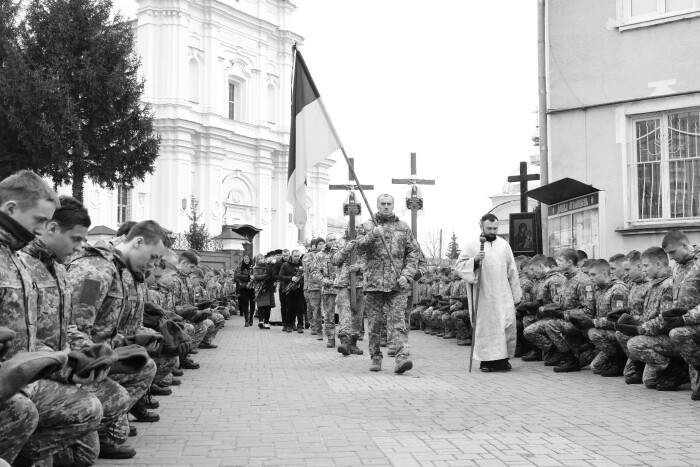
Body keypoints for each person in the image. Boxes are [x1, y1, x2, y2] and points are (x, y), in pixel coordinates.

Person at [0, 171, 102, 466]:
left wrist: (88, 354)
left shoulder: (52, 267)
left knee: (85, 449)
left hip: (40, 369)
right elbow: (84, 318)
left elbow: (66, 326)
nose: (80, 247)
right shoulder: (91, 274)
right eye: (76, 239)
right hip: (23, 377)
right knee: (99, 405)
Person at [68, 221, 165, 428]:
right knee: (97, 446)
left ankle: (105, 423)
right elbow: (75, 327)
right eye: (153, 257)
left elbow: (114, 326)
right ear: (138, 242)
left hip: (104, 356)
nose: (153, 266)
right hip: (84, 364)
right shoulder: (95, 270)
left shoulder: (124, 271)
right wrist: (102, 356)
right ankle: (94, 425)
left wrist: (132, 339)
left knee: (144, 366)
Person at [356, 194, 420, 374]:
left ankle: (401, 358)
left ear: (393, 206)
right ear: (377, 205)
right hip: (374, 284)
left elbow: (413, 254)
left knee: (398, 322)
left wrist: (407, 276)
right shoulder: (368, 226)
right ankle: (375, 357)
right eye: (382, 204)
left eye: (389, 204)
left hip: (397, 284)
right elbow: (358, 247)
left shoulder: (403, 227)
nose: (385, 206)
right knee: (375, 324)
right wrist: (372, 236)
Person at [455, 213, 521, 372]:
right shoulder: (471, 245)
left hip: (502, 292)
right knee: (486, 327)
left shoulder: (504, 244)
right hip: (483, 293)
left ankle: (503, 360)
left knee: (506, 324)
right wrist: (474, 261)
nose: (492, 231)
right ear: (481, 227)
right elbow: (459, 267)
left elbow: (512, 269)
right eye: (489, 228)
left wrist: (516, 295)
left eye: (495, 228)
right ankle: (486, 361)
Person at [614, 247, 672, 385]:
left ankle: (672, 366)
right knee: (647, 381)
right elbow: (647, 313)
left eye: (646, 266)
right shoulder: (653, 284)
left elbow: (664, 320)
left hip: (663, 335)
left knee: (634, 344)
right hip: (651, 331)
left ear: (658, 264)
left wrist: (638, 327)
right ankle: (640, 363)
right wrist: (630, 319)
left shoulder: (668, 285)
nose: (644, 270)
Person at [567, 259, 629, 376]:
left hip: (617, 333)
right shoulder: (599, 289)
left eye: (593, 275)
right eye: (589, 275)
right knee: (595, 366)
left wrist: (593, 322)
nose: (590, 278)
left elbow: (619, 320)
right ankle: (600, 352)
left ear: (605, 274)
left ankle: (619, 360)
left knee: (593, 332)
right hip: (605, 333)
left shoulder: (618, 290)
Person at [521, 255, 565, 366]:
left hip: (554, 317)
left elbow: (557, 305)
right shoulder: (542, 279)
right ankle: (546, 350)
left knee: (529, 331)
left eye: (532, 269)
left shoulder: (555, 279)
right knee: (527, 320)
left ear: (540, 266)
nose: (532, 272)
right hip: (544, 315)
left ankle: (557, 350)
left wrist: (539, 307)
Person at [333, 237, 365, 356]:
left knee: (358, 314)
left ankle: (353, 342)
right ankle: (344, 341)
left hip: (360, 284)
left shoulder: (365, 241)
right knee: (345, 312)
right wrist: (345, 250)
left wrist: (360, 268)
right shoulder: (339, 242)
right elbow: (334, 260)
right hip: (343, 283)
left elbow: (373, 262)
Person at [318, 234, 340, 348]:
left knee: (345, 314)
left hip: (342, 288)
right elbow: (314, 272)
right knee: (329, 315)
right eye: (330, 240)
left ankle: (345, 338)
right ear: (326, 242)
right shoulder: (320, 255)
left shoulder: (342, 253)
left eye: (335, 239)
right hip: (328, 289)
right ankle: (331, 338)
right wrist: (324, 280)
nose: (333, 241)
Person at [279, 250, 305, 333]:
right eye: (295, 256)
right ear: (291, 256)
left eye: (298, 256)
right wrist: (291, 278)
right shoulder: (285, 265)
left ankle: (300, 325)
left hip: (300, 289)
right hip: (289, 289)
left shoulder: (302, 265)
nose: (297, 258)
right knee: (290, 307)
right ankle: (289, 324)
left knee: (300, 307)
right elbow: (281, 276)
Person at [303, 238, 324, 335]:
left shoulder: (325, 255)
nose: (322, 246)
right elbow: (308, 269)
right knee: (313, 307)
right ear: (315, 245)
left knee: (323, 308)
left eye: (323, 244)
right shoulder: (308, 255)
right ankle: (314, 325)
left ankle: (320, 326)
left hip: (324, 285)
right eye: (320, 244)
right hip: (311, 285)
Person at [252, 253, 275, 329]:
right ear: (256, 261)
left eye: (262, 258)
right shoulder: (255, 268)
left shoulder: (268, 267)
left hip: (268, 288)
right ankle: (261, 321)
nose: (260, 260)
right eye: (259, 259)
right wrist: (265, 275)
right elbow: (256, 277)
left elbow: (273, 276)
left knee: (268, 306)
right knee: (261, 306)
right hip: (260, 288)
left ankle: (266, 322)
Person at [235, 254, 255, 326]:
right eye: (245, 259)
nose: (246, 261)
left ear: (250, 260)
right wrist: (248, 277)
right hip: (244, 287)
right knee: (245, 303)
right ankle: (246, 319)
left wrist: (254, 277)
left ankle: (251, 319)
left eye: (248, 259)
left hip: (252, 287)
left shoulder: (252, 267)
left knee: (252, 304)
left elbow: (256, 275)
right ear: (243, 260)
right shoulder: (240, 267)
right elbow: (238, 276)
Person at [273, 250, 290, 330]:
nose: (286, 257)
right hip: (283, 286)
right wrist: (281, 277)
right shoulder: (278, 263)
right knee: (283, 305)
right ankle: (285, 323)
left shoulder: (292, 262)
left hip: (292, 286)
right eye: (284, 255)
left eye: (287, 255)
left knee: (291, 305)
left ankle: (291, 322)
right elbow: (275, 275)